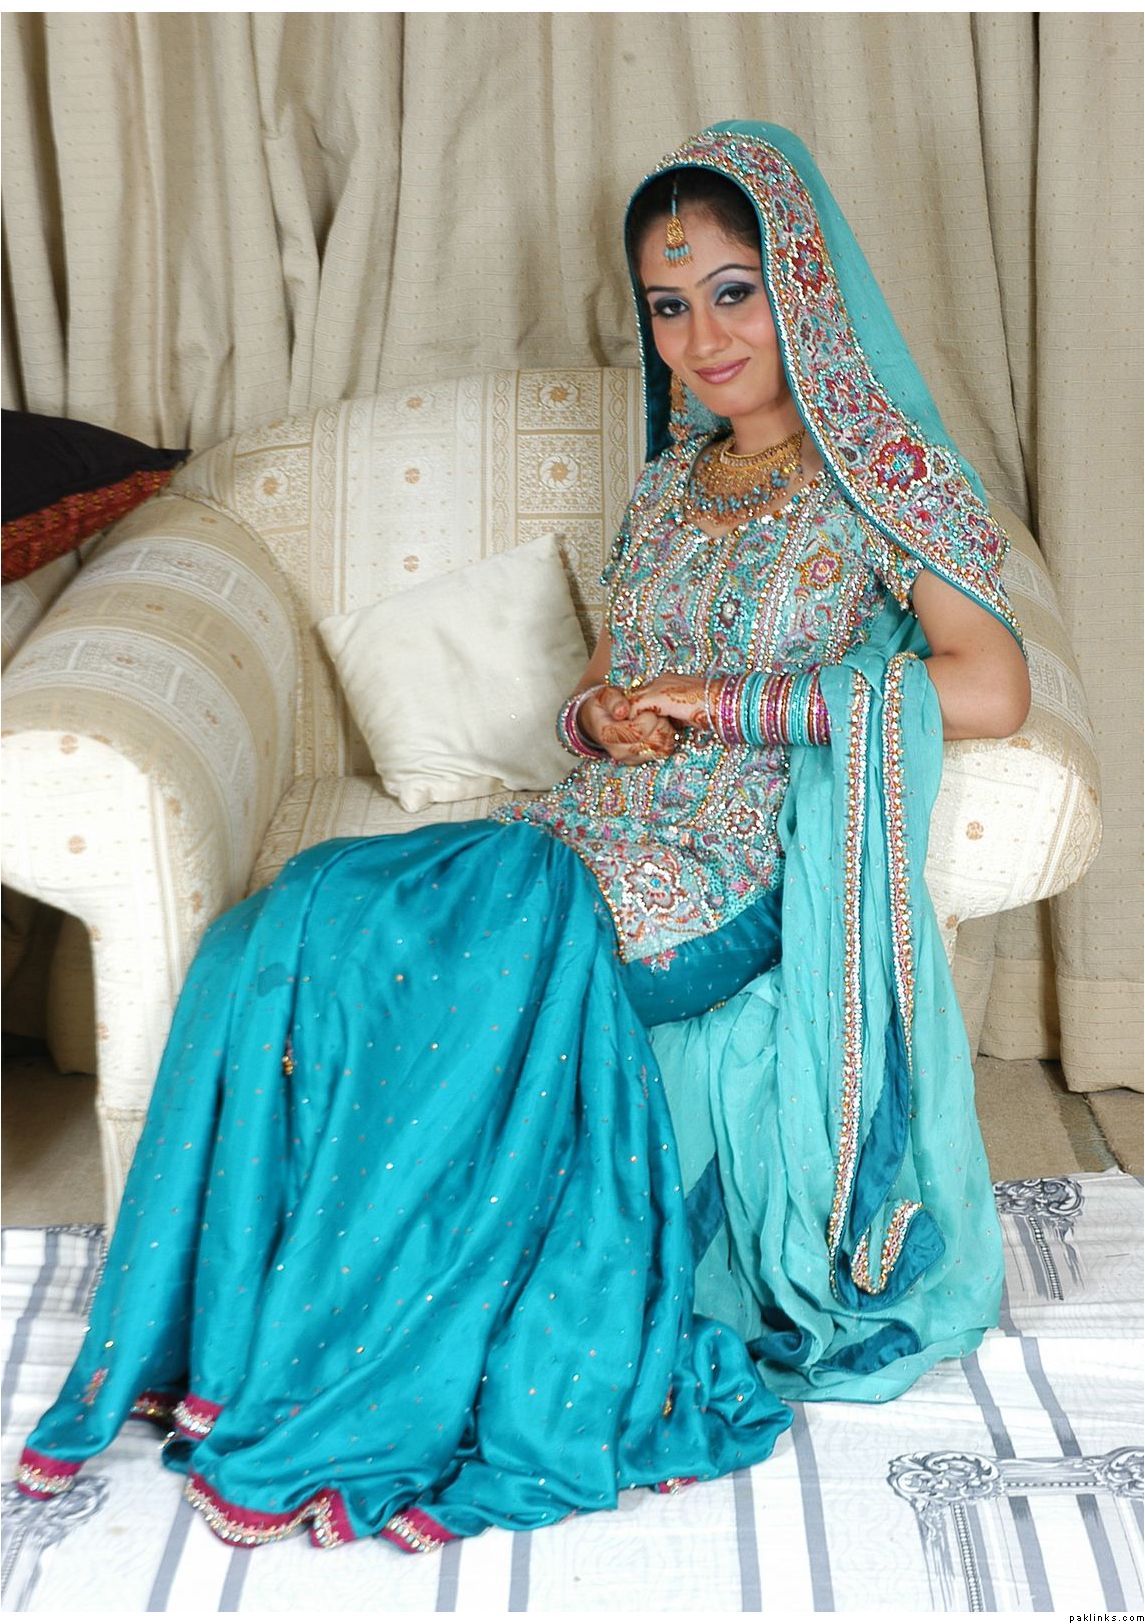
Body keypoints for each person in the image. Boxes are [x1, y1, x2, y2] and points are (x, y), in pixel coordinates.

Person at [16, 121, 1028, 1553]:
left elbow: (989, 686)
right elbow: (607, 690)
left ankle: (353, 1377)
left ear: (802, 288)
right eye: (668, 306)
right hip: (586, 824)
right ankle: (225, 1344)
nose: (701, 338)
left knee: (442, 942)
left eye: (733, 292)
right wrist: (600, 718)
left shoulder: (886, 477)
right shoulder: (673, 481)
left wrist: (727, 704)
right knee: (291, 918)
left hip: (728, 868)